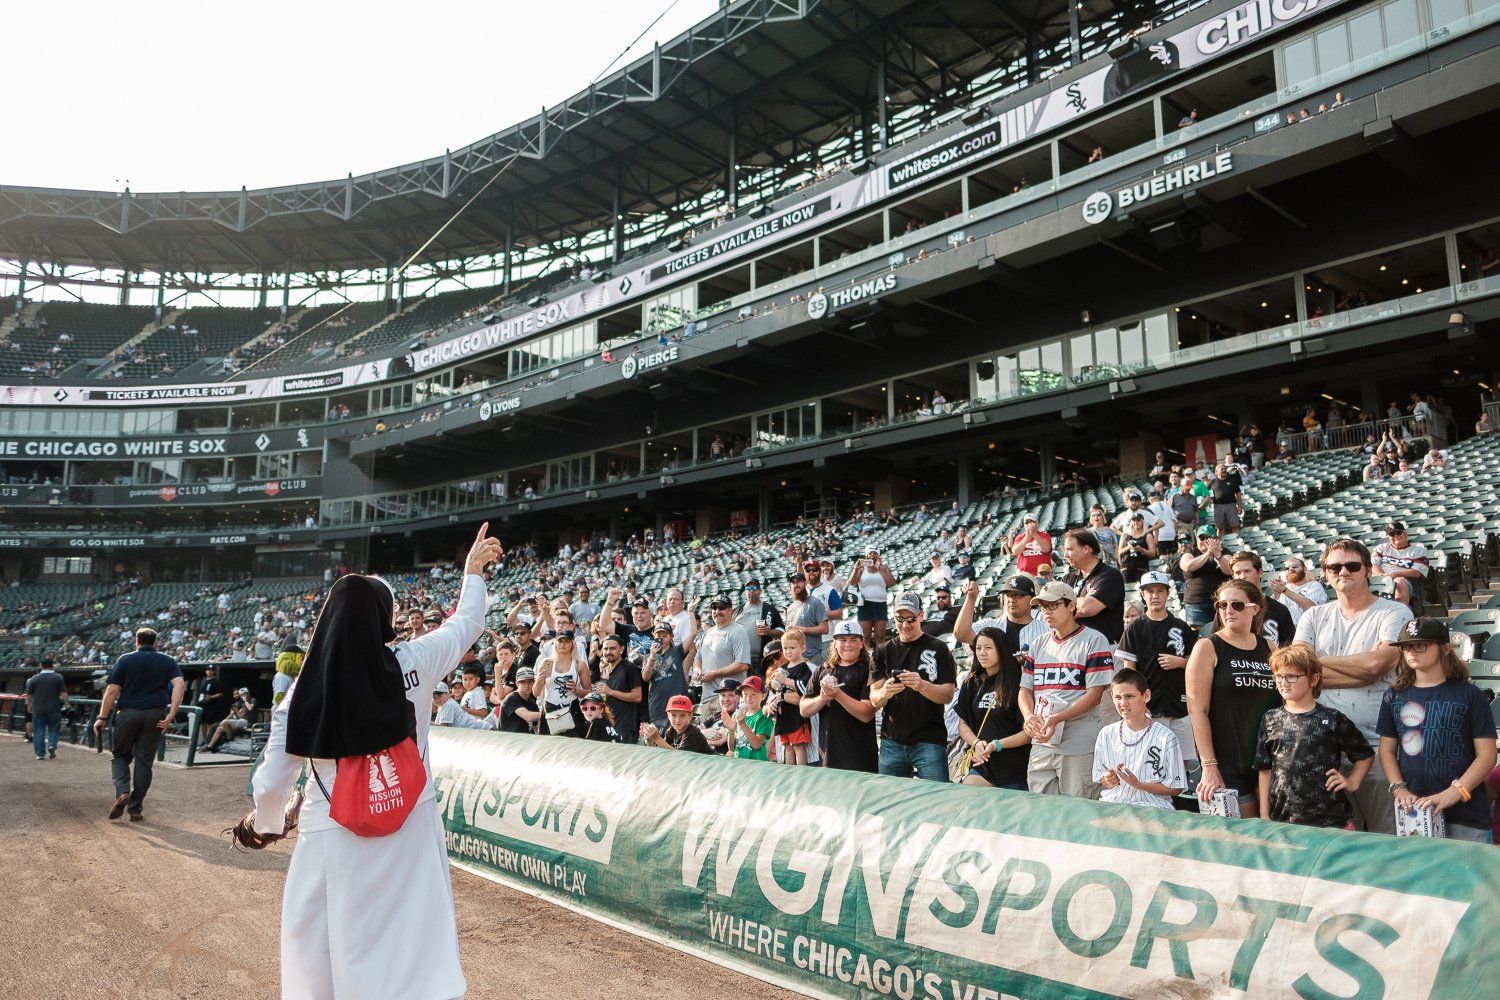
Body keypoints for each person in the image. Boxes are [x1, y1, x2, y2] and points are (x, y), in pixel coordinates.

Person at [249, 521, 501, 1000]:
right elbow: (465, 624)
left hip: (330, 829)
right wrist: (472, 572)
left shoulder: (300, 692)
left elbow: (270, 783)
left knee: (323, 952)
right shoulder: (416, 659)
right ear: (382, 619)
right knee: (412, 943)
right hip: (410, 821)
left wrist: (267, 822)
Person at [1293, 536, 1412, 834]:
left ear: (1368, 570)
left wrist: (1316, 667)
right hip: (1324, 748)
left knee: (1387, 837)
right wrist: (1361, 671)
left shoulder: (1394, 612)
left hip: (1378, 748)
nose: (1342, 572)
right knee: (1338, 842)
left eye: (1352, 565)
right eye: (1334, 567)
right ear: (1324, 573)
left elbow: (1377, 665)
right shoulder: (1313, 615)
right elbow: (1295, 672)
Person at [1378, 617, 1497, 843]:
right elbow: (1386, 751)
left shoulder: (1470, 695)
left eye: (1421, 645)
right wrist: (1398, 788)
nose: (1412, 651)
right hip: (1414, 813)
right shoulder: (1393, 696)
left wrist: (1453, 793)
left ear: (1445, 648)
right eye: (1406, 647)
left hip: (1466, 815)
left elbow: (1487, 755)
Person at [1186, 579, 1278, 818]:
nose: (1228, 610)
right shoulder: (1207, 647)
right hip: (1227, 762)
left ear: (1254, 609)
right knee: (1244, 837)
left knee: (1275, 833)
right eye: (1222, 605)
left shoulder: (1269, 646)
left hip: (1269, 761)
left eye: (1236, 605)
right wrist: (1208, 765)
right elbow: (1197, 711)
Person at [1255, 645, 1374, 828]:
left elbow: (1364, 754)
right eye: (1278, 676)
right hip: (1283, 820)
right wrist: (1264, 814)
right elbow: (1265, 768)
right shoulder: (1270, 718)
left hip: (1330, 822)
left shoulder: (1332, 719)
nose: (1284, 682)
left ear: (1313, 679)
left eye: (1292, 676)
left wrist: (1352, 781)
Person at [1018, 582, 1114, 798]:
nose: (1046, 612)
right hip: (1042, 742)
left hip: (1078, 743)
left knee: (1079, 812)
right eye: (1043, 606)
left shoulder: (1094, 640)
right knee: (1042, 812)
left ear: (1071, 606)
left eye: (1053, 605)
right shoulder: (1037, 644)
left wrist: (1057, 718)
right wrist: (1028, 716)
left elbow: (1095, 695)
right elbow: (1025, 690)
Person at [93, 627, 185, 822]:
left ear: (136, 641)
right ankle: (135, 808)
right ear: (155, 642)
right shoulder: (168, 660)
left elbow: (111, 691)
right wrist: (172, 714)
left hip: (128, 714)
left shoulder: (125, 659)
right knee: (144, 763)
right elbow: (180, 685)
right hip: (155, 715)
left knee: (120, 756)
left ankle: (122, 792)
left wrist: (102, 717)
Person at [870, 593, 957, 780]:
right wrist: (884, 693)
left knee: (936, 798)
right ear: (893, 618)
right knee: (891, 800)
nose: (905, 624)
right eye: (900, 619)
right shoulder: (882, 651)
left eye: (911, 618)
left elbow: (948, 695)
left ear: (921, 616)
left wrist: (922, 685)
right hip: (891, 740)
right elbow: (874, 699)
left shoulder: (939, 649)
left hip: (929, 740)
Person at [1114, 571, 1197, 768]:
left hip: (1180, 705)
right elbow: (1129, 673)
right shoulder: (1135, 627)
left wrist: (1181, 662)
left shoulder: (1181, 626)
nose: (1155, 595)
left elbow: (1198, 665)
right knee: (1151, 761)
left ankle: (1181, 798)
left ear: (1168, 593)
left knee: (1181, 760)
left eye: (1160, 590)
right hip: (1150, 707)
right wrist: (1135, 703)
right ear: (1142, 594)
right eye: (1149, 591)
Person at [1093, 669, 1188, 810]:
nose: (1123, 703)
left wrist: (1138, 785)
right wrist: (1108, 779)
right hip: (1113, 806)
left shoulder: (1166, 737)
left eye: (1129, 696)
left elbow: (1176, 788)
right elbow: (1101, 778)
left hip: (1153, 809)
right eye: (1118, 697)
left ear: (1146, 696)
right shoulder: (1105, 734)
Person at [955, 626, 1030, 789]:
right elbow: (962, 725)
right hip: (980, 764)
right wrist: (976, 743)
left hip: (1013, 769)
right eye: (978, 648)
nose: (982, 653)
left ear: (1002, 650)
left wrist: (996, 745)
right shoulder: (971, 682)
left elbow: (1028, 733)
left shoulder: (1019, 682)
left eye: (988, 648)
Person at [799, 620, 878, 772]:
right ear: (834, 643)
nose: (848, 644)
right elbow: (804, 709)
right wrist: (822, 698)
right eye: (842, 640)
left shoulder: (869, 670)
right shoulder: (823, 669)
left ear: (862, 643)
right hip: (829, 752)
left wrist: (837, 694)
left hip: (860, 754)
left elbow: (867, 714)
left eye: (853, 640)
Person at [1062, 528, 1125, 643]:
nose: (1065, 555)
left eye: (1070, 549)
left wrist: (1066, 604)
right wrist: (1078, 603)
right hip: (1074, 645)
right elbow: (1056, 611)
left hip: (1104, 648)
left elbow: (1086, 608)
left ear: (1086, 549)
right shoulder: (1068, 578)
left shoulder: (1110, 575)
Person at [767, 629, 813, 765]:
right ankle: (790, 775)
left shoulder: (805, 667)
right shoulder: (784, 667)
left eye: (792, 648)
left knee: (798, 746)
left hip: (797, 716)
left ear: (803, 647)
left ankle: (801, 773)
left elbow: (805, 689)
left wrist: (786, 681)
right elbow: (777, 690)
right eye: (785, 648)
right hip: (783, 715)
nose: (788, 651)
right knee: (787, 747)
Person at [535, 630, 591, 736]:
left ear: (572, 644)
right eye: (560, 641)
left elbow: (589, 692)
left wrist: (576, 691)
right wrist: (539, 679)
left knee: (574, 745)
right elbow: (535, 693)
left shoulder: (579, 664)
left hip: (571, 708)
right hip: (550, 709)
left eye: (567, 641)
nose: (563, 644)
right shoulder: (547, 663)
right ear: (555, 643)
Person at [595, 633, 643, 743]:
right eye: (605, 649)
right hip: (609, 727)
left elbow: (637, 697)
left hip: (625, 728)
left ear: (621, 649)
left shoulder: (629, 668)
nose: (608, 652)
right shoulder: (605, 670)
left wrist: (611, 692)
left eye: (612, 648)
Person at [1179, 528, 1231, 627]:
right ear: (1197, 540)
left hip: (1220, 602)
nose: (1205, 541)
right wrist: (1208, 554)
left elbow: (1229, 570)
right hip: (1196, 603)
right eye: (1202, 538)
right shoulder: (1190, 553)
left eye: (1208, 538)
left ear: (1215, 539)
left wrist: (1218, 555)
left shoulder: (1224, 552)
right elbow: (1188, 566)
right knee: (1199, 635)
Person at [641, 622, 688, 733]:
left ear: (671, 636)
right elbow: (645, 677)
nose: (661, 639)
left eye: (664, 636)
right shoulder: (648, 656)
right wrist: (652, 656)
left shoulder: (676, 651)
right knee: (657, 743)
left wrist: (690, 613)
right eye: (658, 636)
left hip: (678, 707)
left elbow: (693, 634)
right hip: (658, 707)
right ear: (653, 636)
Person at [1372, 520, 1429, 610]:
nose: (1396, 536)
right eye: (1392, 534)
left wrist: (1395, 574)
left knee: (1399, 581)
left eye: (1398, 533)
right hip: (1381, 579)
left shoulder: (1417, 551)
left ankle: (1401, 612)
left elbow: (1417, 572)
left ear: (1406, 534)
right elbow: (1374, 565)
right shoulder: (1381, 548)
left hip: (1405, 583)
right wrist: (1383, 578)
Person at [847, 548, 897, 646]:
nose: (872, 555)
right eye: (870, 553)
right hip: (865, 604)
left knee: (880, 636)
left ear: (878, 556)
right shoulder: (862, 568)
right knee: (865, 637)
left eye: (875, 553)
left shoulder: (884, 568)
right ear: (866, 555)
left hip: (881, 604)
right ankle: (865, 659)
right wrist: (856, 568)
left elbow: (891, 583)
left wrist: (879, 568)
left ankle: (880, 658)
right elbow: (852, 583)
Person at [24, 657, 68, 761]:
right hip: (54, 707)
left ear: (41, 666)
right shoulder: (58, 677)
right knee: (54, 729)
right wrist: (67, 704)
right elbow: (63, 693)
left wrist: (29, 705)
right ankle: (52, 745)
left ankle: (40, 754)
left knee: (39, 731)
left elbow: (29, 695)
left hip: (38, 708)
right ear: (52, 666)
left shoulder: (34, 678)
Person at [643, 694, 713, 753]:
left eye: (682, 715)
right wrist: (650, 740)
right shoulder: (671, 730)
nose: (677, 720)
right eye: (673, 715)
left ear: (690, 716)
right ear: (668, 716)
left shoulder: (692, 732)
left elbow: (680, 757)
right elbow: (662, 752)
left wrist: (657, 738)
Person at [1269, 555, 1326, 625]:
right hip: (1288, 632)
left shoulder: (1314, 586)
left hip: (1310, 630)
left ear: (1304, 569)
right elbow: (1269, 613)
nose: (1290, 569)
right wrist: (1276, 595)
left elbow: (1311, 608)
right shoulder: (1284, 588)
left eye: (1295, 567)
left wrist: (1285, 591)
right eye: (1287, 568)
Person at [730, 675, 775, 761]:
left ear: (763, 696)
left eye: (753, 694)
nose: (748, 698)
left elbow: (757, 745)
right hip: (739, 764)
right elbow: (732, 748)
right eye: (745, 694)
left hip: (756, 766)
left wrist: (742, 723)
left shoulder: (764, 716)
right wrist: (731, 731)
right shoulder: (736, 715)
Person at [498, 667, 542, 734]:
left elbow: (536, 728)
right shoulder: (511, 698)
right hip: (508, 741)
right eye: (522, 682)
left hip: (524, 741)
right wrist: (549, 715)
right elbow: (528, 716)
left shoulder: (532, 703)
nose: (527, 685)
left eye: (530, 681)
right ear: (517, 684)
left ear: (534, 683)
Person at [1011, 513, 1052, 578]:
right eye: (1026, 522)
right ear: (1024, 525)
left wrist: (1034, 534)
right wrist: (1027, 537)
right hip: (1024, 575)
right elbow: (1015, 552)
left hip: (1043, 575)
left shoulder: (1045, 535)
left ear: (1037, 523)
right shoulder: (1019, 537)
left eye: (1032, 522)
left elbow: (1046, 549)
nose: (1029, 524)